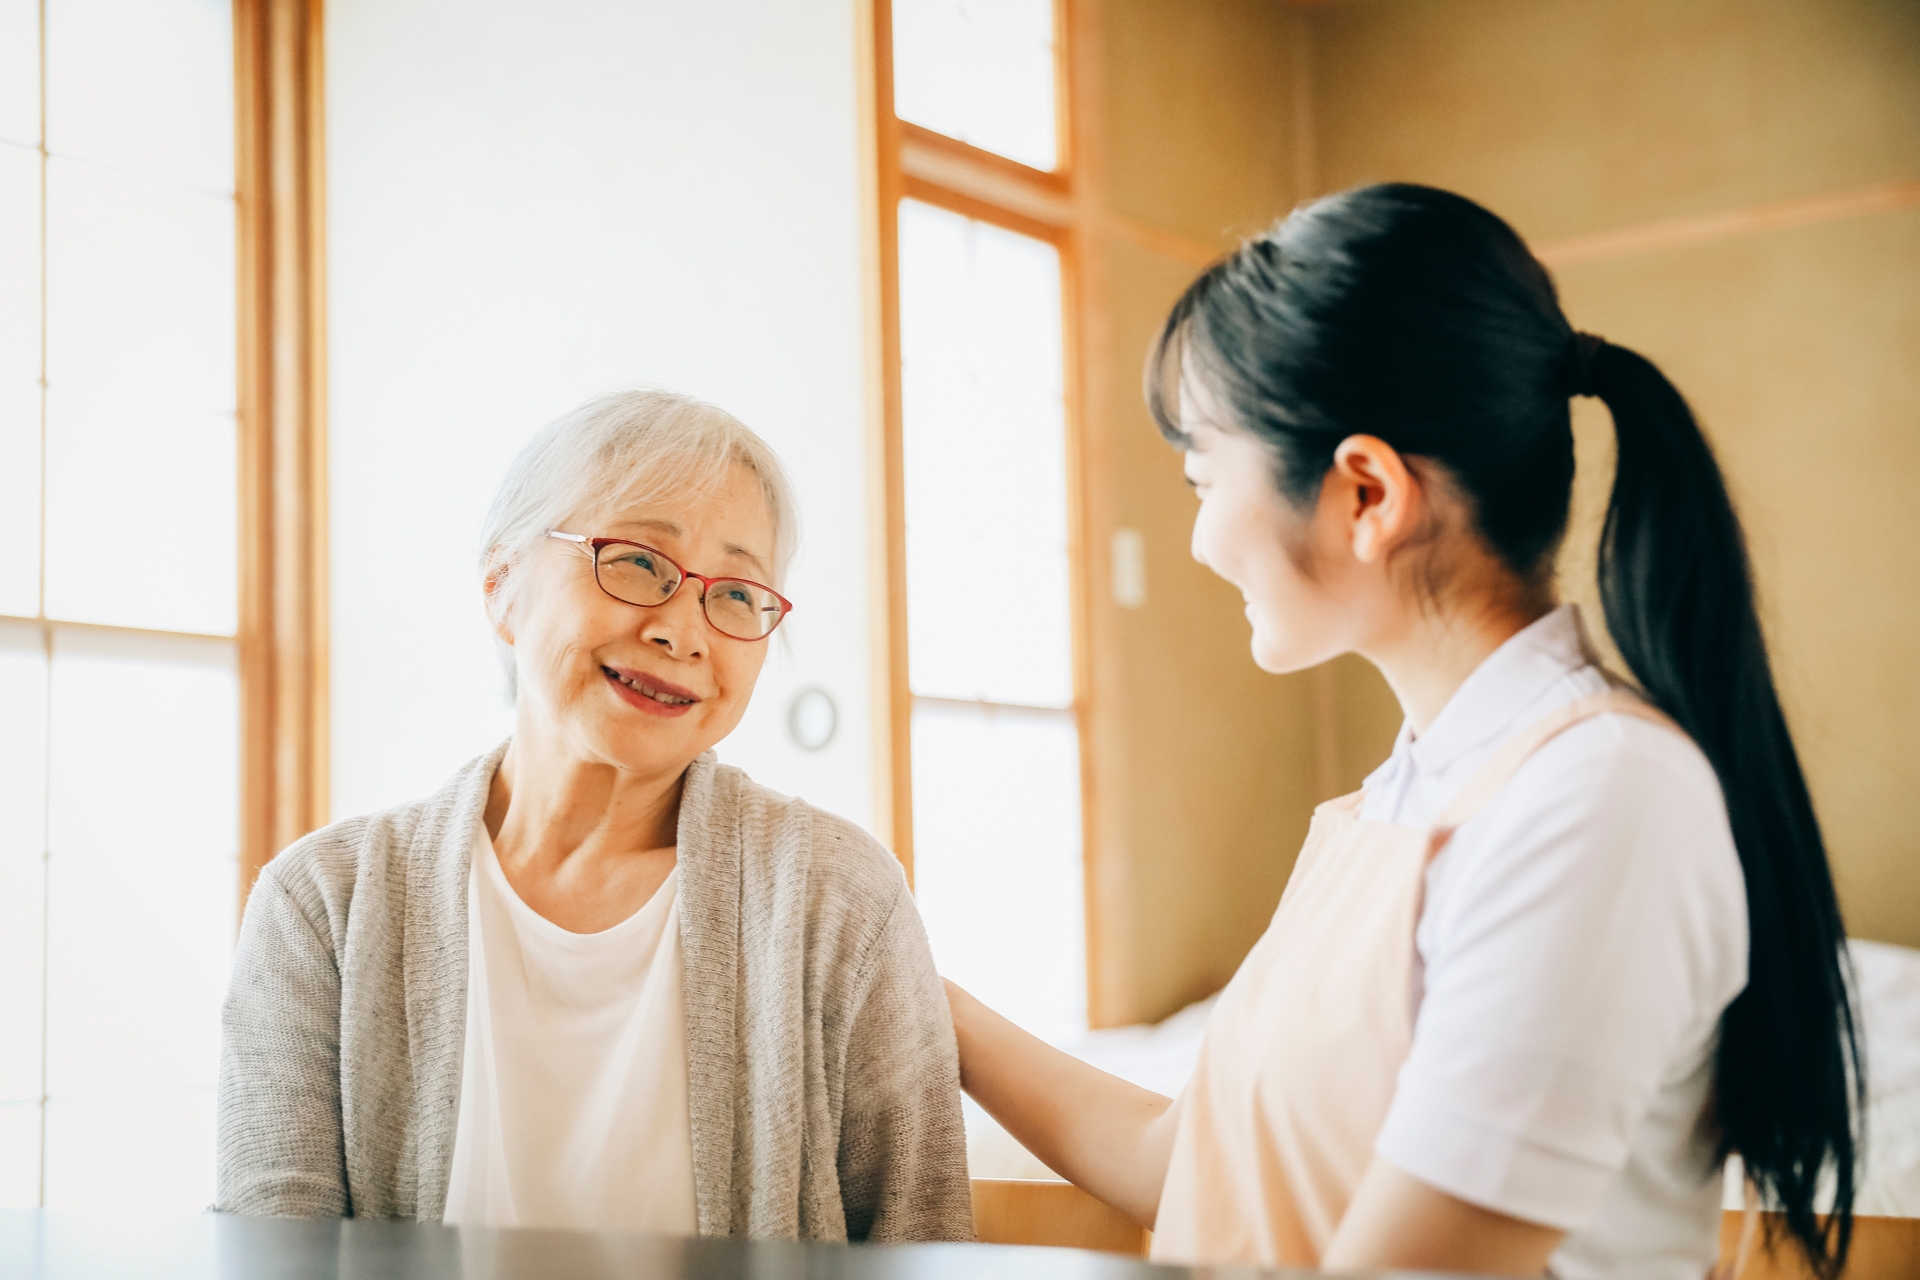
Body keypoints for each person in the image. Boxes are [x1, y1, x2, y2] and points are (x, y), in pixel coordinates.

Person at [946, 185, 1862, 1279]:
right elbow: (1200, 1158)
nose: (1197, 540)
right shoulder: (1407, 792)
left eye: (1204, 478)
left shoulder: (1603, 797)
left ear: (1368, 493)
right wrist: (917, 992)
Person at [217, 388, 973, 1243]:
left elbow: (923, 1238)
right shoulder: (323, 906)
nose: (683, 633)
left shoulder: (838, 898)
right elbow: (273, 1252)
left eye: (735, 594)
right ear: (502, 588)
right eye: (640, 563)